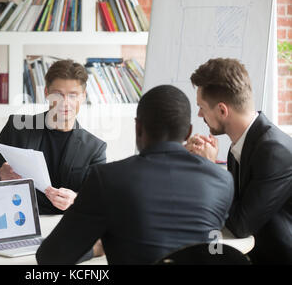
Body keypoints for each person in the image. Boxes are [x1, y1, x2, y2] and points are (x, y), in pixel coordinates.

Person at [36, 85, 234, 265]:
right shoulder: (222, 180)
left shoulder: (107, 179)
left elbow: (50, 257)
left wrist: (98, 248)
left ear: (138, 127)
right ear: (188, 131)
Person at [186, 58, 292, 264]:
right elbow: (230, 205)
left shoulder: (274, 151)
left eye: (201, 107)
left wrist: (209, 168)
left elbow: (241, 224)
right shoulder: (243, 143)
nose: (199, 114)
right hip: (252, 253)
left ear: (222, 110)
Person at [0, 59, 107, 215]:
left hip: (65, 225)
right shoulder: (17, 127)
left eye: (73, 95)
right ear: (46, 93)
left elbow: (98, 200)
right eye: (58, 94)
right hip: (18, 222)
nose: (65, 103)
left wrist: (76, 200)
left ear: (83, 97)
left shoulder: (95, 148)